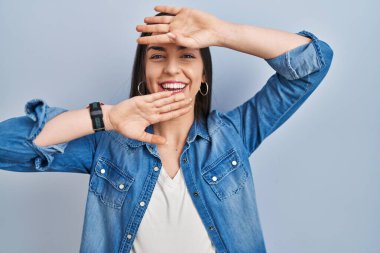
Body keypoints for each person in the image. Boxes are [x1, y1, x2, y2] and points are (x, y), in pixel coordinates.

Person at [0, 5, 333, 253]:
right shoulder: (108, 147)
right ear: (144, 72)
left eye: (187, 56)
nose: (172, 69)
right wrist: (107, 118)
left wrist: (221, 33)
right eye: (158, 56)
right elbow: (8, 146)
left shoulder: (235, 135)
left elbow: (313, 63)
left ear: (204, 75)